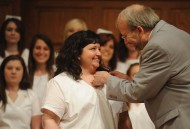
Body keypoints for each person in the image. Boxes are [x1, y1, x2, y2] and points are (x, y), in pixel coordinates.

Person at [93, 4, 190, 129]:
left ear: (139, 30)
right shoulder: (175, 33)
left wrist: (107, 79)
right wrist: (129, 81)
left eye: (125, 35)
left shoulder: (157, 46)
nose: (125, 41)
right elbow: (166, 81)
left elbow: (137, 93)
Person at [41, 30, 116, 129]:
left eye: (99, 48)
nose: (99, 53)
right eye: (93, 48)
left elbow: (124, 120)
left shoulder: (110, 81)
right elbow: (49, 120)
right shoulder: (60, 82)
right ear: (77, 54)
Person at [97, 28, 132, 129]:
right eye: (103, 45)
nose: (107, 49)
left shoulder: (118, 73)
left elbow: (124, 118)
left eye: (111, 47)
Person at [0, 55, 41, 129]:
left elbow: (36, 127)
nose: (13, 72)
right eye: (9, 68)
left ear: (23, 72)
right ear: (3, 71)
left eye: (18, 69)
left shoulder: (32, 95)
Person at [28, 34, 55, 105]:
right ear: (31, 50)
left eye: (45, 49)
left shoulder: (56, 73)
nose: (41, 52)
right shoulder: (25, 73)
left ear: (50, 52)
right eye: (38, 48)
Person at [126, 63, 155, 129]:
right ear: (129, 78)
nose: (139, 78)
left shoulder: (156, 100)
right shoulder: (123, 103)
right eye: (135, 74)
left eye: (142, 74)